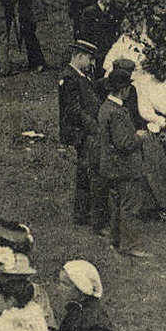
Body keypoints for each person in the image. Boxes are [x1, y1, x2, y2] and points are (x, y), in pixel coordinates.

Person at [95, 59, 152, 258]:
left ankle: (115, 241)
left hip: (111, 167)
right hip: (125, 168)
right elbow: (125, 144)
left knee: (117, 205)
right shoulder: (117, 112)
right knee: (129, 206)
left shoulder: (106, 107)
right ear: (123, 89)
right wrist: (140, 137)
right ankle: (130, 245)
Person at [58, 40, 105, 231]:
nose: (92, 64)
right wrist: (95, 127)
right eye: (90, 59)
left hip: (86, 131)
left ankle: (83, 213)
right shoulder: (69, 78)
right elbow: (74, 110)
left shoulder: (80, 75)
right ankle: (84, 214)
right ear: (79, 57)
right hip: (82, 133)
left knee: (86, 172)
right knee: (87, 171)